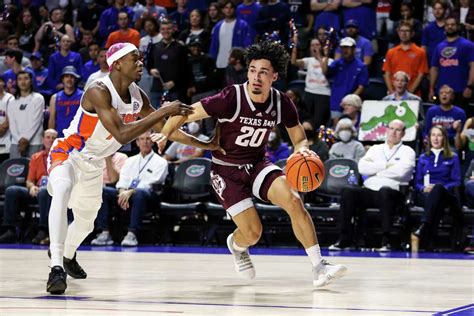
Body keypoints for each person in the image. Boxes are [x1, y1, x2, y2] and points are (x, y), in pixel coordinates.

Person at [160, 41, 347, 287]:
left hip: (258, 163)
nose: (256, 77)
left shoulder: (281, 102)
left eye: (263, 72)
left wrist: (302, 153)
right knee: (253, 233)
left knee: (294, 200)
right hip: (226, 170)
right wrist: (168, 134)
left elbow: (299, 138)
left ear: (274, 76)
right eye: (252, 70)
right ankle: (237, 247)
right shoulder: (230, 98)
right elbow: (184, 113)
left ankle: (319, 267)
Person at [45, 42, 220, 295]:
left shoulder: (138, 95)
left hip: (94, 163)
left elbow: (163, 128)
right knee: (61, 189)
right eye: (134, 59)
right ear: (116, 64)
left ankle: (68, 254)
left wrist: (204, 143)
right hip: (70, 153)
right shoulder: (98, 90)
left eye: (140, 59)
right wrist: (163, 110)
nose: (141, 64)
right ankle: (56, 267)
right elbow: (123, 134)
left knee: (86, 222)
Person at [329, 120, 416, 251]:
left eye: (397, 130)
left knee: (385, 191)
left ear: (403, 133)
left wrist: (375, 170)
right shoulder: (375, 149)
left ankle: (386, 240)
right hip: (370, 190)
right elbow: (362, 167)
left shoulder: (407, 151)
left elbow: (403, 172)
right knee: (348, 191)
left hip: (393, 193)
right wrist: (386, 166)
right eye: (391, 128)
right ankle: (344, 238)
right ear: (386, 130)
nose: (393, 132)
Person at [0, 129, 57, 244]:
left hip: (53, 192)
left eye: (53, 138)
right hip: (36, 190)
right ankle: (9, 229)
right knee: (12, 190)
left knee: (44, 191)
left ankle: (43, 230)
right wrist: (31, 187)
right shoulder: (36, 157)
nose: (50, 140)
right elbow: (29, 181)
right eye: (47, 137)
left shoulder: (61, 157)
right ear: (42, 140)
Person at [412, 126, 463, 252]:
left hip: (447, 195)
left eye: (439, 135)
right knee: (435, 202)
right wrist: (423, 188)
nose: (435, 138)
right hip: (427, 195)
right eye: (433, 135)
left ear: (444, 138)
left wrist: (439, 188)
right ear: (429, 138)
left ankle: (424, 225)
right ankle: (430, 241)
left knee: (438, 189)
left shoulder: (453, 157)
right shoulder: (423, 158)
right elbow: (417, 182)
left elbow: (456, 181)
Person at [116, 131, 169, 246]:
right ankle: (104, 232)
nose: (145, 142)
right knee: (105, 192)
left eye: (148, 139)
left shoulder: (161, 162)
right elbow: (123, 180)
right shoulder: (130, 161)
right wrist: (122, 192)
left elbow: (153, 182)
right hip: (127, 194)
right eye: (142, 139)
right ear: (137, 142)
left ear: (153, 142)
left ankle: (132, 234)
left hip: (150, 196)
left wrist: (131, 191)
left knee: (139, 192)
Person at [429, 16, 474, 113]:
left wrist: (470, 86)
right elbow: (434, 68)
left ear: (458, 27)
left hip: (461, 90)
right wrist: (431, 88)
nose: (449, 27)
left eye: (452, 25)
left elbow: (473, 66)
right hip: (442, 91)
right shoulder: (439, 46)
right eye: (447, 25)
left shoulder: (468, 45)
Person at [322, 37, 368, 121]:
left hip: (352, 104)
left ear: (354, 49)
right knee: (336, 125)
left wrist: (349, 101)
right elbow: (325, 72)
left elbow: (361, 87)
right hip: (336, 100)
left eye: (347, 47)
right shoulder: (337, 63)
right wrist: (326, 56)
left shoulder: (361, 66)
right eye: (343, 48)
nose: (345, 50)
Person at [291, 34, 331, 130]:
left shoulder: (329, 61)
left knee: (318, 121)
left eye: (317, 45)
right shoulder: (309, 60)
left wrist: (319, 56)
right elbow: (293, 62)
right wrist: (295, 45)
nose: (315, 47)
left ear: (322, 46)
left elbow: (325, 71)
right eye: (312, 45)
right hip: (309, 92)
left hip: (323, 93)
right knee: (306, 118)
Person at [383, 22, 428, 96]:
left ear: (412, 33)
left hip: (414, 94)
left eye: (407, 31)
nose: (404, 33)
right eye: (402, 31)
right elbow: (387, 73)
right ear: (398, 33)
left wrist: (410, 93)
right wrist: (392, 92)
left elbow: (421, 74)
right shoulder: (391, 52)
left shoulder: (420, 52)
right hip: (394, 94)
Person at [7, 70, 44, 158]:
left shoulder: (38, 98)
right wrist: (19, 140)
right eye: (20, 79)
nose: (23, 82)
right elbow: (12, 124)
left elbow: (36, 122)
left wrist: (25, 139)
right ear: (16, 82)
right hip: (16, 142)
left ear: (31, 81)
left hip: (34, 142)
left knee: (33, 171)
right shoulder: (12, 101)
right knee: (14, 170)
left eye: (26, 78)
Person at [48, 66, 83, 138]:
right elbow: (52, 119)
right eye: (67, 76)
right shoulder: (55, 97)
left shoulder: (83, 96)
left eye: (72, 77)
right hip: (59, 136)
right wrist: (51, 136)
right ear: (62, 79)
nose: (69, 79)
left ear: (76, 79)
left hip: (77, 136)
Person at [0, 77, 13, 162]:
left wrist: (1, 130)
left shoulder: (10, 98)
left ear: (3, 83)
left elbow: (9, 120)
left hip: (6, 141)